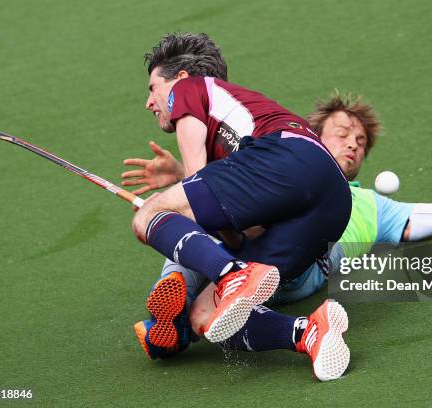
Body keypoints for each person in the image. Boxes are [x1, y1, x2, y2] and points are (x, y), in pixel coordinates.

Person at [125, 92, 432, 377]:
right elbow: (227, 193)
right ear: (310, 136)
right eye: (342, 133)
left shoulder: (375, 205)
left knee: (200, 239)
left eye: (360, 141)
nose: (354, 143)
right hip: (246, 247)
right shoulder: (276, 160)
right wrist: (181, 175)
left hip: (296, 268)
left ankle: (177, 309)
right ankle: (194, 313)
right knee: (209, 295)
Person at [127, 32, 352, 381]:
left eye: (153, 88)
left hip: (290, 158)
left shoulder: (191, 88)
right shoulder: (234, 155)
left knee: (148, 215)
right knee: (207, 317)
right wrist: (231, 254)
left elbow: (195, 181)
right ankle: (309, 332)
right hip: (331, 204)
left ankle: (230, 276)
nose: (149, 102)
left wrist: (171, 201)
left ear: (180, 79)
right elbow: (236, 234)